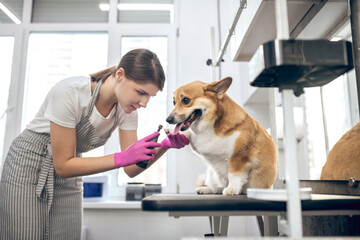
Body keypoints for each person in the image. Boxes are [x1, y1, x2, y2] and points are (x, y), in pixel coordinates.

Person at [0, 48, 189, 240]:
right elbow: (63, 165)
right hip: (28, 165)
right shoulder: (70, 92)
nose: (144, 103)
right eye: (141, 92)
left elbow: (131, 168)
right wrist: (121, 157)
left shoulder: (127, 111)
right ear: (120, 74)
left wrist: (164, 146)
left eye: (149, 96)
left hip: (72, 168)